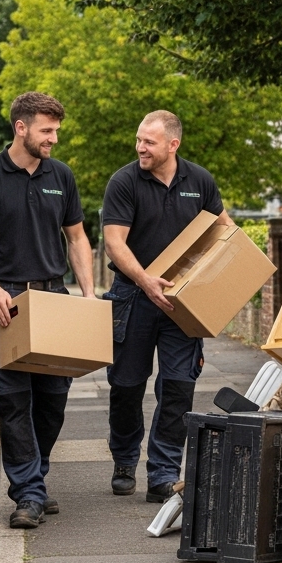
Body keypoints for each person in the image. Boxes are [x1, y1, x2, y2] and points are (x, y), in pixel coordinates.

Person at [0, 91, 96, 529]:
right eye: (46, 130)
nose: (53, 138)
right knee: (14, 404)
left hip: (54, 299)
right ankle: (30, 493)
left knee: (53, 402)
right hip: (7, 307)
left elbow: (77, 237)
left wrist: (89, 295)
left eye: (56, 131)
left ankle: (34, 476)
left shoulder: (61, 175)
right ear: (21, 128)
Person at [101, 110, 234, 502]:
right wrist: (145, 281)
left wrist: (217, 283)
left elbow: (224, 231)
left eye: (149, 142)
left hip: (181, 302)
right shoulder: (124, 181)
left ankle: (163, 473)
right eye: (139, 139)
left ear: (173, 144)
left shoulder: (200, 181)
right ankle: (124, 459)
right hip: (133, 297)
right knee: (126, 386)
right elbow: (114, 242)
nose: (140, 147)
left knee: (178, 387)